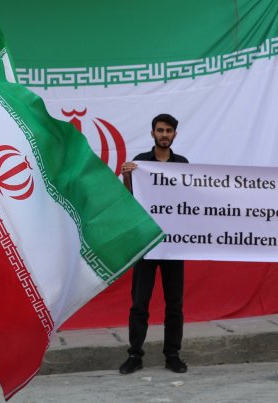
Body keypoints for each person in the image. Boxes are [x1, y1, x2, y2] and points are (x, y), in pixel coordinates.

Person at [118, 113, 189, 375]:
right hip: (147, 243)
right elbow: (132, 199)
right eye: (160, 130)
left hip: (173, 245)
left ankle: (173, 354)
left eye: (169, 131)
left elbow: (189, 200)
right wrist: (127, 177)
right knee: (140, 303)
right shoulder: (140, 164)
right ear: (153, 133)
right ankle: (135, 354)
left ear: (174, 135)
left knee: (174, 304)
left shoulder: (182, 164)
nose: (164, 135)